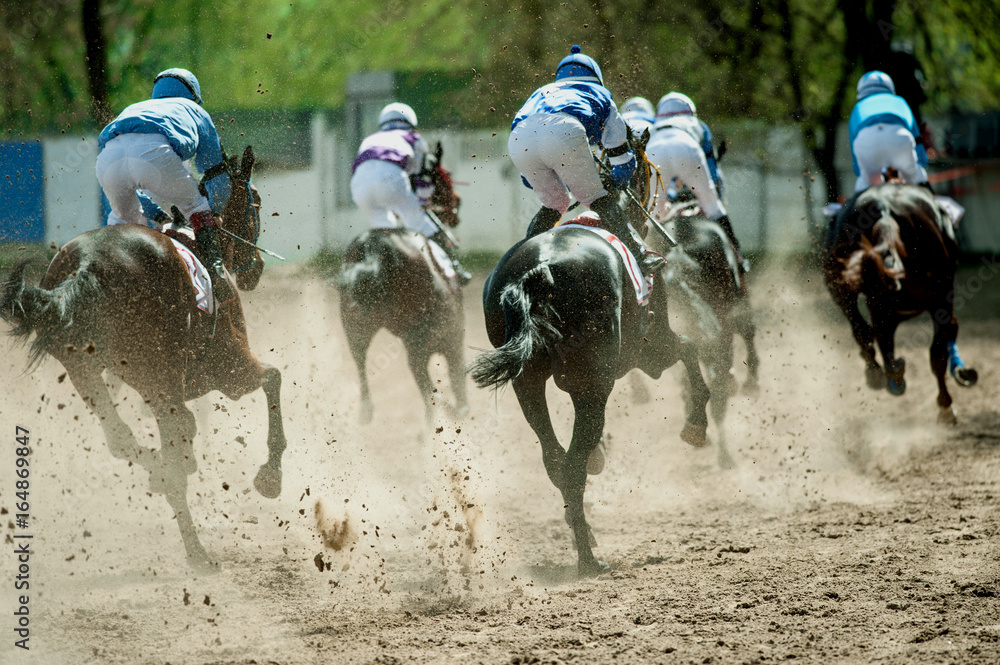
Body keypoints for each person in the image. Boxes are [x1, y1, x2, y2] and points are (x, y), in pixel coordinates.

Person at [508, 46, 662, 275]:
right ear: (596, 76)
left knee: (555, 202)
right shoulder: (600, 93)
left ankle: (522, 259)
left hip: (518, 138)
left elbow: (527, 178)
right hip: (564, 130)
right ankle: (639, 255)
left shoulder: (541, 91)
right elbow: (622, 160)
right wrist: (615, 180)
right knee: (597, 198)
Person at [96, 68, 234, 302]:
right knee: (197, 208)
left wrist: (159, 216)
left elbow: (137, 186)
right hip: (154, 153)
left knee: (124, 223)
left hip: (108, 159)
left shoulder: (135, 107)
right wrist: (214, 212)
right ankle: (217, 277)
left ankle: (104, 284)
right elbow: (216, 174)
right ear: (193, 95)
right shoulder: (194, 110)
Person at [350, 102, 471, 285]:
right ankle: (452, 270)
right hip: (390, 182)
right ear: (411, 124)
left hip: (359, 187)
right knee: (426, 228)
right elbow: (423, 178)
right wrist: (422, 202)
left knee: (385, 233)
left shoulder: (369, 140)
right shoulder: (415, 139)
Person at [647, 92, 747, 272]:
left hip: (654, 149)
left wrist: (669, 198)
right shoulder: (698, 125)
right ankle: (739, 259)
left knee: (652, 216)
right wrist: (709, 196)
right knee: (714, 208)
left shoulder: (655, 127)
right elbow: (712, 169)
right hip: (686, 146)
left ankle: (644, 262)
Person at [849, 70, 931, 193]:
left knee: (863, 186)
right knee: (917, 177)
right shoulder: (900, 101)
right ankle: (935, 202)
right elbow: (916, 138)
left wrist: (864, 175)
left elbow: (856, 160)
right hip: (899, 138)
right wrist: (920, 165)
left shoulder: (857, 108)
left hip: (867, 142)